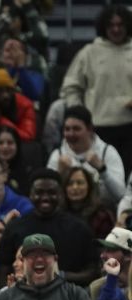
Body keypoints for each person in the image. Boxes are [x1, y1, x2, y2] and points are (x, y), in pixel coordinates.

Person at [60, 5, 132, 176]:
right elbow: (71, 86)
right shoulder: (89, 53)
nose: (116, 29)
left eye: (120, 25)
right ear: (103, 27)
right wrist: (80, 113)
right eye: (111, 25)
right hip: (99, 126)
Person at [0, 168, 98, 287]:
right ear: (30, 194)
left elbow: (93, 272)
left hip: (68, 296)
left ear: (60, 194)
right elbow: (3, 272)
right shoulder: (15, 227)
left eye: (51, 192)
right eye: (39, 192)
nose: (45, 197)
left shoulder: (79, 228)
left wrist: (60, 276)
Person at [0, 234, 95, 300]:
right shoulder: (6, 298)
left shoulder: (75, 295)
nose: (39, 259)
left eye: (45, 254)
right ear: (23, 261)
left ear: (55, 259)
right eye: (32, 255)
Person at [47, 105, 125, 206]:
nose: (71, 134)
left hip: (102, 212)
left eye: (76, 129)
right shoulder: (57, 155)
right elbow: (48, 196)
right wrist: (59, 174)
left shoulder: (107, 152)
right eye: (67, 129)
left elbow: (120, 194)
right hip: (68, 213)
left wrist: (102, 170)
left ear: (89, 129)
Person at [63, 166, 116, 239]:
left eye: (80, 183)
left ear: (89, 186)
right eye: (70, 183)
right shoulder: (59, 213)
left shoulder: (102, 216)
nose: (75, 187)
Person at [89, 227, 132, 300]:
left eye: (110, 250)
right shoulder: (98, 287)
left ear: (128, 256)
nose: (102, 255)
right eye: (104, 250)